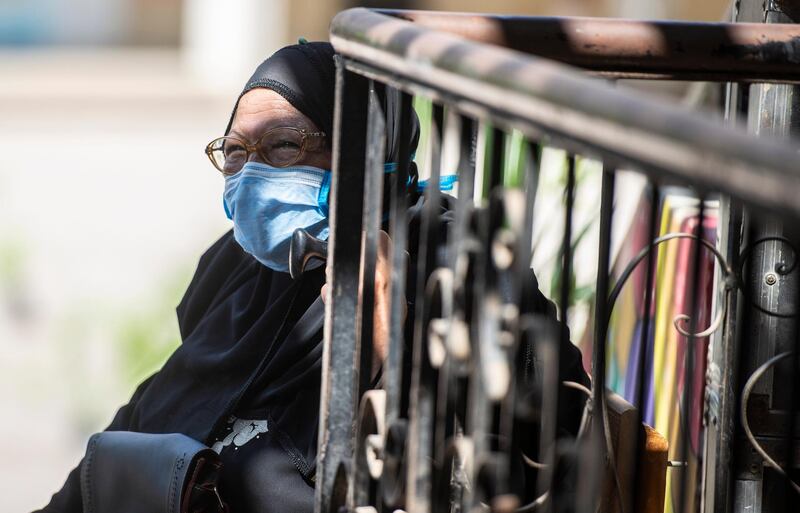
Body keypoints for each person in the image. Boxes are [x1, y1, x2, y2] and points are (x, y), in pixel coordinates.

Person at [35, 41, 589, 513]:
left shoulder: (451, 267)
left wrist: (387, 343)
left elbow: (498, 456)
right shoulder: (239, 272)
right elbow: (142, 424)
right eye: (234, 152)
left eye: (284, 146)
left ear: (368, 155)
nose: (251, 174)